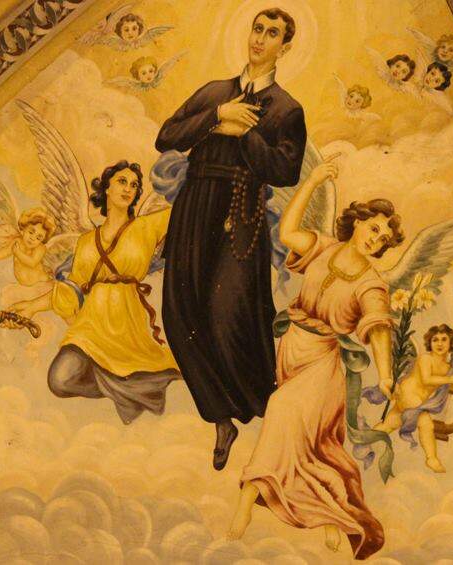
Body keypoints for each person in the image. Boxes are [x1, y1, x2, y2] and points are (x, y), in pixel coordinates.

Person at [226, 157, 403, 559]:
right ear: (358, 221)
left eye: (384, 238)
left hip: (324, 362)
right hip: (292, 349)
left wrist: (386, 374)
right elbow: (287, 231)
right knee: (310, 448)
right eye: (374, 228)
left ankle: (247, 498)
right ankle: (331, 516)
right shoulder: (323, 247)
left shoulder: (371, 284)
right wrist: (315, 180)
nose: (376, 239)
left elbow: (378, 328)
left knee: (282, 409)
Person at [154, 7, 307, 469]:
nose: (260, 38)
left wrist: (246, 134)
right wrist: (217, 116)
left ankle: (264, 404)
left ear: (285, 46)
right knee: (179, 309)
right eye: (257, 29)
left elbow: (285, 170)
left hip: (240, 211)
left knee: (228, 315)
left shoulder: (286, 108)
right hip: (195, 203)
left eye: (272, 33)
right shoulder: (214, 93)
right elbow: (166, 136)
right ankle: (220, 418)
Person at [11, 160, 180, 425]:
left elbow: (189, 207)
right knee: (59, 380)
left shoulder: (147, 226)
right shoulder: (86, 241)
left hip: (127, 326)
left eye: (134, 185)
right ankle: (129, 391)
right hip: (91, 326)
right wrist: (31, 307)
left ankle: (130, 387)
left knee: (150, 369)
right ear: (106, 188)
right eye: (122, 182)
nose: (129, 189)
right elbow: (70, 290)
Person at [374, 324, 453, 473]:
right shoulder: (426, 359)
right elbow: (427, 380)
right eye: (435, 340)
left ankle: (365, 440)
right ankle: (432, 459)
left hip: (417, 401)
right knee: (425, 422)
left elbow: (442, 390)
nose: (439, 343)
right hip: (407, 394)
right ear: (429, 342)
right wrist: (450, 380)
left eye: (444, 339)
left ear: (450, 342)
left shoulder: (447, 368)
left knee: (388, 425)